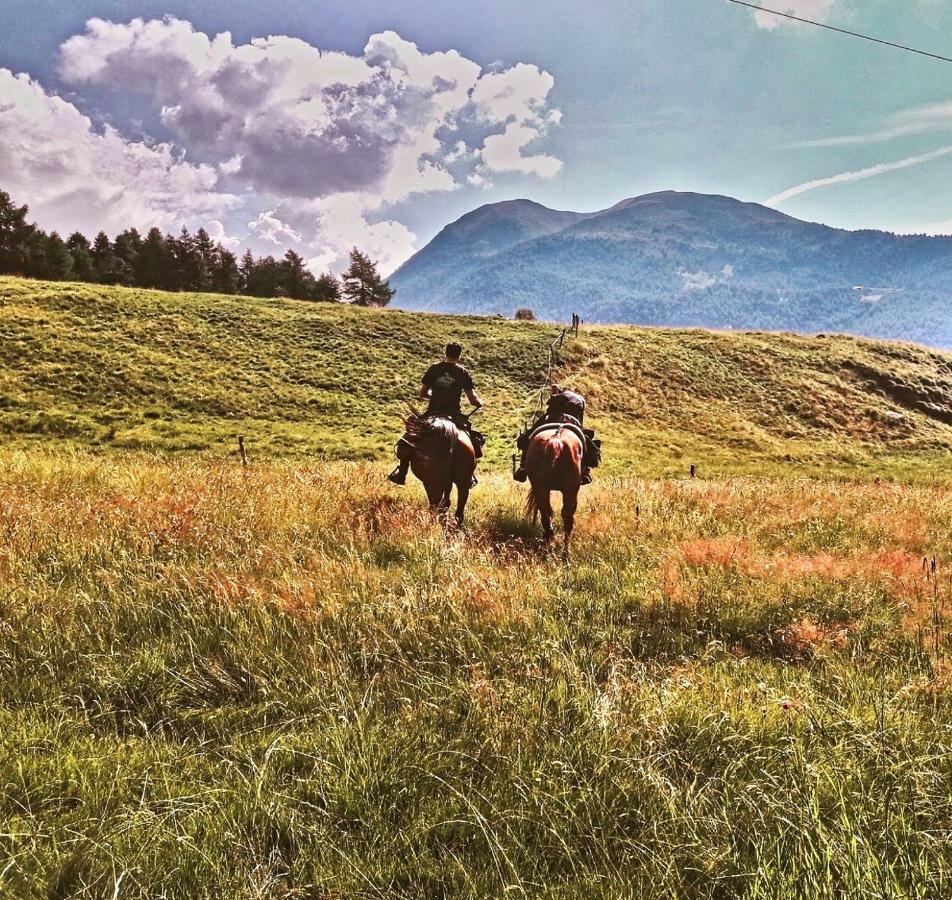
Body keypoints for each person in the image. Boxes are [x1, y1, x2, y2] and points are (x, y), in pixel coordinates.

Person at [388, 342, 485, 485]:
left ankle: (401, 473)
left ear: (445, 353)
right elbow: (472, 399)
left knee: (410, 438)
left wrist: (432, 394)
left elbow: (423, 392)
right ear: (459, 355)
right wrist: (479, 402)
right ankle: (469, 474)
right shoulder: (463, 372)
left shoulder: (434, 369)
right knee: (471, 439)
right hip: (453, 413)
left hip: (433, 412)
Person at [513, 384, 601, 484]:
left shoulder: (559, 395)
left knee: (530, 435)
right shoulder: (580, 399)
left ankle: (523, 466)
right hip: (572, 418)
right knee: (585, 440)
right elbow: (580, 420)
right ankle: (585, 471)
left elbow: (551, 404)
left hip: (553, 416)